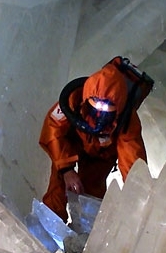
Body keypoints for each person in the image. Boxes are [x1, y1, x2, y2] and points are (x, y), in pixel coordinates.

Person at [39, 56, 152, 222]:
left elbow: (133, 162)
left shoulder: (127, 121)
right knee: (58, 184)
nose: (99, 117)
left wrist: (137, 198)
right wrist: (66, 170)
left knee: (91, 197)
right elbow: (53, 129)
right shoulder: (72, 99)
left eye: (106, 112)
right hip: (72, 145)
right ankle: (49, 225)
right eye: (94, 108)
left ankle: (86, 234)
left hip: (102, 156)